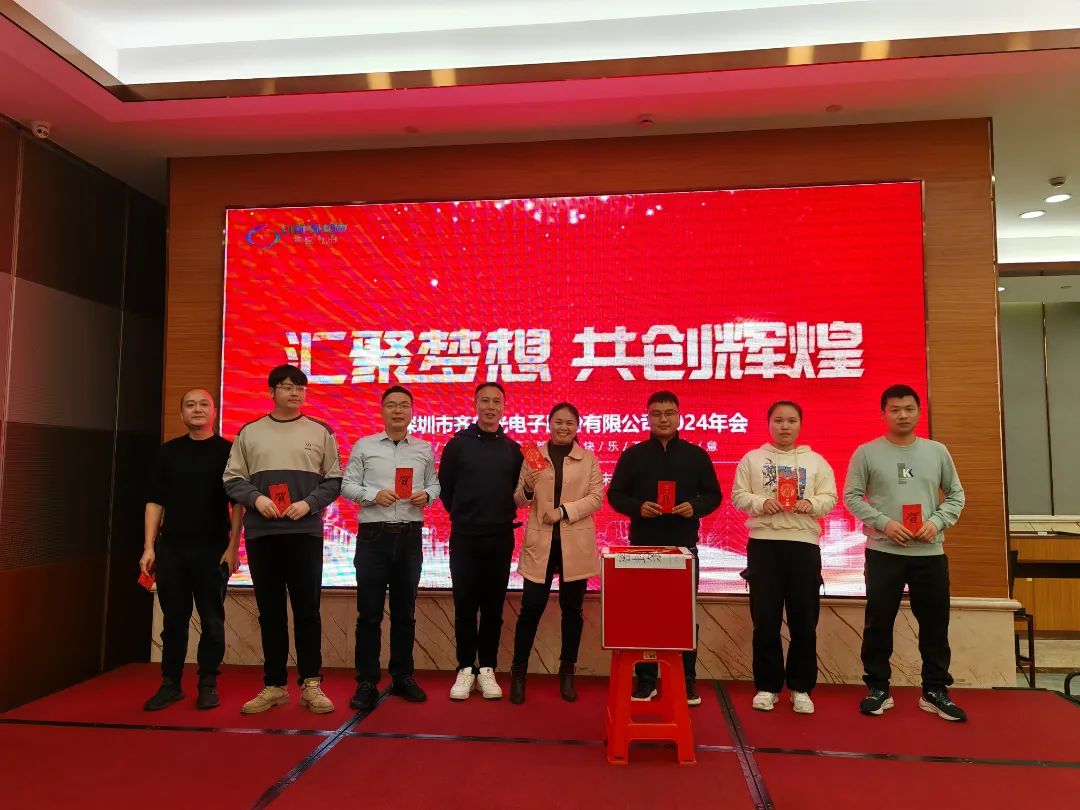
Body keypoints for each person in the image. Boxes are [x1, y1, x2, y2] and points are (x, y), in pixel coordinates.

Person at [223, 364, 343, 715]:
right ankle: (274, 685)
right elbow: (232, 478)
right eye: (288, 386)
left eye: (300, 388)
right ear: (271, 391)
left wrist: (308, 504)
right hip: (262, 535)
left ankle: (311, 684)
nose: (295, 393)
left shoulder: (320, 431)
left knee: (308, 611)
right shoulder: (250, 432)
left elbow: (334, 480)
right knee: (270, 613)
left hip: (305, 533)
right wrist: (257, 499)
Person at [844, 384, 967, 722]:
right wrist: (884, 523)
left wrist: (936, 522)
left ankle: (935, 691)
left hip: (929, 553)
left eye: (909, 409)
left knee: (935, 623)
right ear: (883, 413)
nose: (902, 415)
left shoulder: (937, 451)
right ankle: (878, 688)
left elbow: (956, 495)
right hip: (884, 552)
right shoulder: (867, 453)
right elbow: (851, 496)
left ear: (919, 412)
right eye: (895, 409)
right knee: (879, 622)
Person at [607, 390, 722, 706]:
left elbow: (714, 495)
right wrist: (638, 507)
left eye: (669, 413)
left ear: (679, 416)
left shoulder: (696, 455)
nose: (663, 419)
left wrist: (695, 507)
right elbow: (615, 495)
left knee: (683, 617)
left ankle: (686, 682)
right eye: (656, 413)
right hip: (642, 550)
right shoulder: (634, 455)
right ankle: (646, 681)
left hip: (683, 549)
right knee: (644, 615)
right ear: (647, 418)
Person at [731, 400, 837, 715]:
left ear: (800, 424)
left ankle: (801, 688)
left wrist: (812, 503)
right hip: (764, 545)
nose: (785, 426)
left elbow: (830, 497)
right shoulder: (753, 459)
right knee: (765, 620)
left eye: (791, 420)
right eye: (778, 420)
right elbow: (738, 495)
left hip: (804, 545)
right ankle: (767, 687)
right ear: (769, 424)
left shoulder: (816, 461)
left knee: (804, 621)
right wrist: (760, 503)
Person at [141, 388, 243, 711]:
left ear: (214, 411)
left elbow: (238, 504)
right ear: (181, 413)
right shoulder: (168, 453)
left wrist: (233, 546)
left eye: (203, 404)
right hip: (171, 548)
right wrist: (149, 547)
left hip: (213, 548)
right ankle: (170, 684)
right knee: (173, 620)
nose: (197, 409)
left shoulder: (229, 452)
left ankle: (207, 684)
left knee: (212, 620)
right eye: (190, 405)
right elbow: (155, 501)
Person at [341, 385, 440, 711]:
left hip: (409, 537)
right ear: (382, 410)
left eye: (404, 405)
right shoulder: (364, 445)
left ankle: (402, 676)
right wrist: (373, 495)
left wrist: (428, 495)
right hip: (373, 537)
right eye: (392, 405)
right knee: (369, 613)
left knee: (404, 613)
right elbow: (347, 485)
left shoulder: (423, 448)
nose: (398, 411)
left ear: (412, 412)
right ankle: (367, 681)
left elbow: (435, 484)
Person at [509, 402, 603, 704]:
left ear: (577, 427)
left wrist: (563, 511)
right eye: (558, 422)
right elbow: (519, 501)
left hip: (575, 543)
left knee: (572, 610)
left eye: (569, 423)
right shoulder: (533, 455)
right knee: (530, 608)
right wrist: (527, 488)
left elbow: (596, 498)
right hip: (541, 543)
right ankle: (518, 673)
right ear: (549, 424)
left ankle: (567, 672)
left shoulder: (587, 459)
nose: (563, 427)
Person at [439, 382, 524, 700]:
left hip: (500, 537)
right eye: (485, 401)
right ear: (475, 405)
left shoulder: (514, 449)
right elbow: (446, 489)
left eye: (496, 402)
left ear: (504, 407)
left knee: (493, 607)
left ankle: (487, 667)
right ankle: (465, 668)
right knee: (464, 605)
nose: (490, 407)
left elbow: (523, 489)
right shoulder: (457, 445)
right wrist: (466, 515)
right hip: (464, 536)